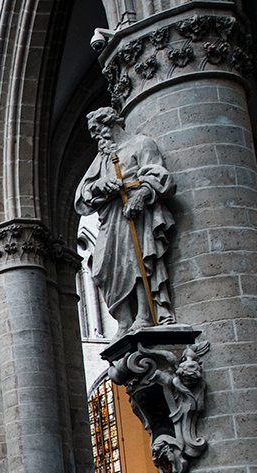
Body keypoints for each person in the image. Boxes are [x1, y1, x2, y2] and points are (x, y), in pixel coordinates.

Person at [74, 106, 176, 334]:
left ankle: (144, 315)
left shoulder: (140, 144)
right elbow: (82, 194)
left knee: (136, 260)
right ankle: (124, 320)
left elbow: (160, 176)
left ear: (110, 124)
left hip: (135, 213)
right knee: (102, 268)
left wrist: (141, 194)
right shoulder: (103, 157)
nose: (94, 136)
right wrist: (99, 185)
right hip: (110, 217)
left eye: (96, 129)